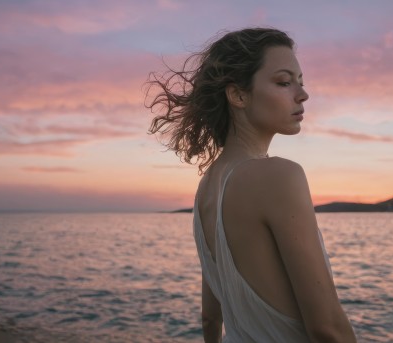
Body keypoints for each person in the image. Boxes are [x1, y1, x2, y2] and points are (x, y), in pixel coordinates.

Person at [146, 27, 356, 342]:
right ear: (239, 95)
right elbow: (327, 328)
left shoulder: (206, 187)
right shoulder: (278, 176)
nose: (302, 94)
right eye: (284, 82)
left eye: (300, 82)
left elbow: (210, 317)